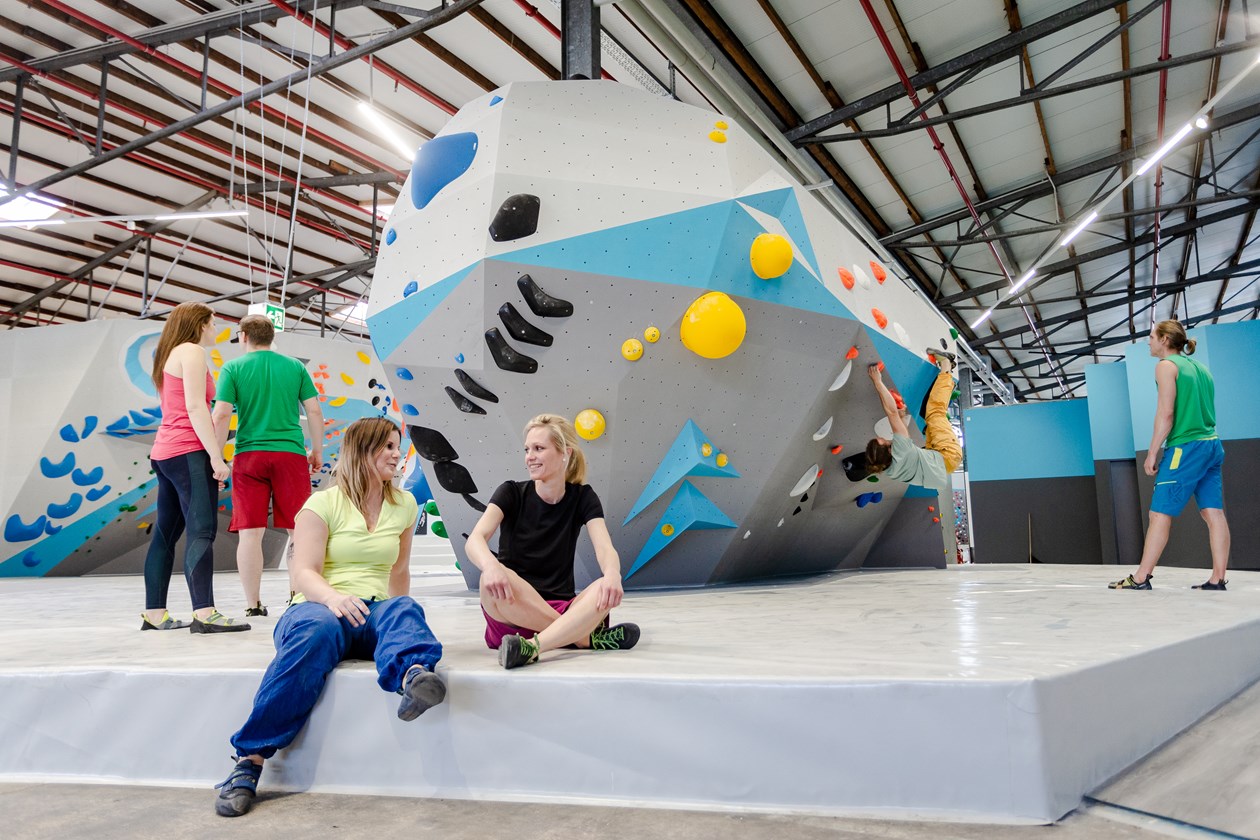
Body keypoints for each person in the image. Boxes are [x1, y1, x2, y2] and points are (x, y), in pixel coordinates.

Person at [214, 417, 445, 818]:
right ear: (362, 451)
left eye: (398, 446)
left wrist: (396, 619)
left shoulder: (405, 504)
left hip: (370, 609)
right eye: (388, 447)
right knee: (317, 631)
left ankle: (413, 676)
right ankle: (248, 762)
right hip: (316, 605)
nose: (397, 454)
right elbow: (303, 571)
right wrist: (333, 599)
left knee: (404, 608)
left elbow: (399, 573)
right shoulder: (322, 503)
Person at [464, 413, 640, 670]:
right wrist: (491, 567)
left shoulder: (583, 497)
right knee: (489, 580)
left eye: (539, 448)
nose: (529, 457)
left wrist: (613, 574)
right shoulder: (511, 492)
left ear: (564, 453)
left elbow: (605, 548)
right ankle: (581, 638)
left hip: (563, 605)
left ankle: (533, 647)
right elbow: (475, 540)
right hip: (513, 607)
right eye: (527, 450)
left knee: (604, 585)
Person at [141, 302, 250, 634]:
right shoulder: (191, 351)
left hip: (164, 453)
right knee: (202, 530)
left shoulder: (169, 353)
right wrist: (216, 458)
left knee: (165, 533)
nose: (217, 329)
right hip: (188, 451)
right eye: (214, 322)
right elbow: (194, 406)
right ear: (200, 324)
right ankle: (204, 613)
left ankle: (154, 614)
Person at [211, 314, 323, 616]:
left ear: (243, 336)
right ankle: (297, 596)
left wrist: (216, 456)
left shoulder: (233, 368)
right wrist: (317, 450)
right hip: (290, 454)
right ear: (271, 336)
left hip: (250, 456)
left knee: (250, 533)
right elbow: (313, 410)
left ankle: (253, 605)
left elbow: (221, 415)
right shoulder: (295, 367)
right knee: (297, 530)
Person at [1110, 320, 1230, 591]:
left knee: (1159, 514)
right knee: (1214, 513)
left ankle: (1140, 578)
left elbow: (1166, 414)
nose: (1149, 342)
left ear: (1165, 340)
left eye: (1152, 336)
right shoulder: (1201, 368)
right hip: (1212, 445)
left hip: (1185, 448)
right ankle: (1218, 578)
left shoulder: (1166, 366)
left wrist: (1152, 452)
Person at [864, 349, 961, 492]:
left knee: (924, 414)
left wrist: (902, 419)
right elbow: (891, 413)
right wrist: (877, 382)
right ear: (890, 451)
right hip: (947, 453)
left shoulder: (891, 470)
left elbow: (906, 445)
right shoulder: (899, 451)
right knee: (935, 412)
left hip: (940, 460)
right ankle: (947, 365)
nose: (884, 438)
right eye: (883, 441)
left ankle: (945, 382)